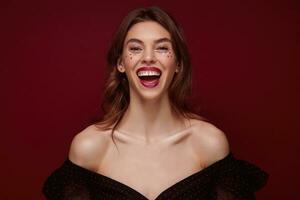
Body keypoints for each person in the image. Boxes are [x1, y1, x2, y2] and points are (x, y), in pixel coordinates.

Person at [42, 6, 268, 200]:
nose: (148, 57)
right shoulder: (89, 148)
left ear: (178, 63)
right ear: (121, 63)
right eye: (135, 48)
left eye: (162, 47)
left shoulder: (209, 143)